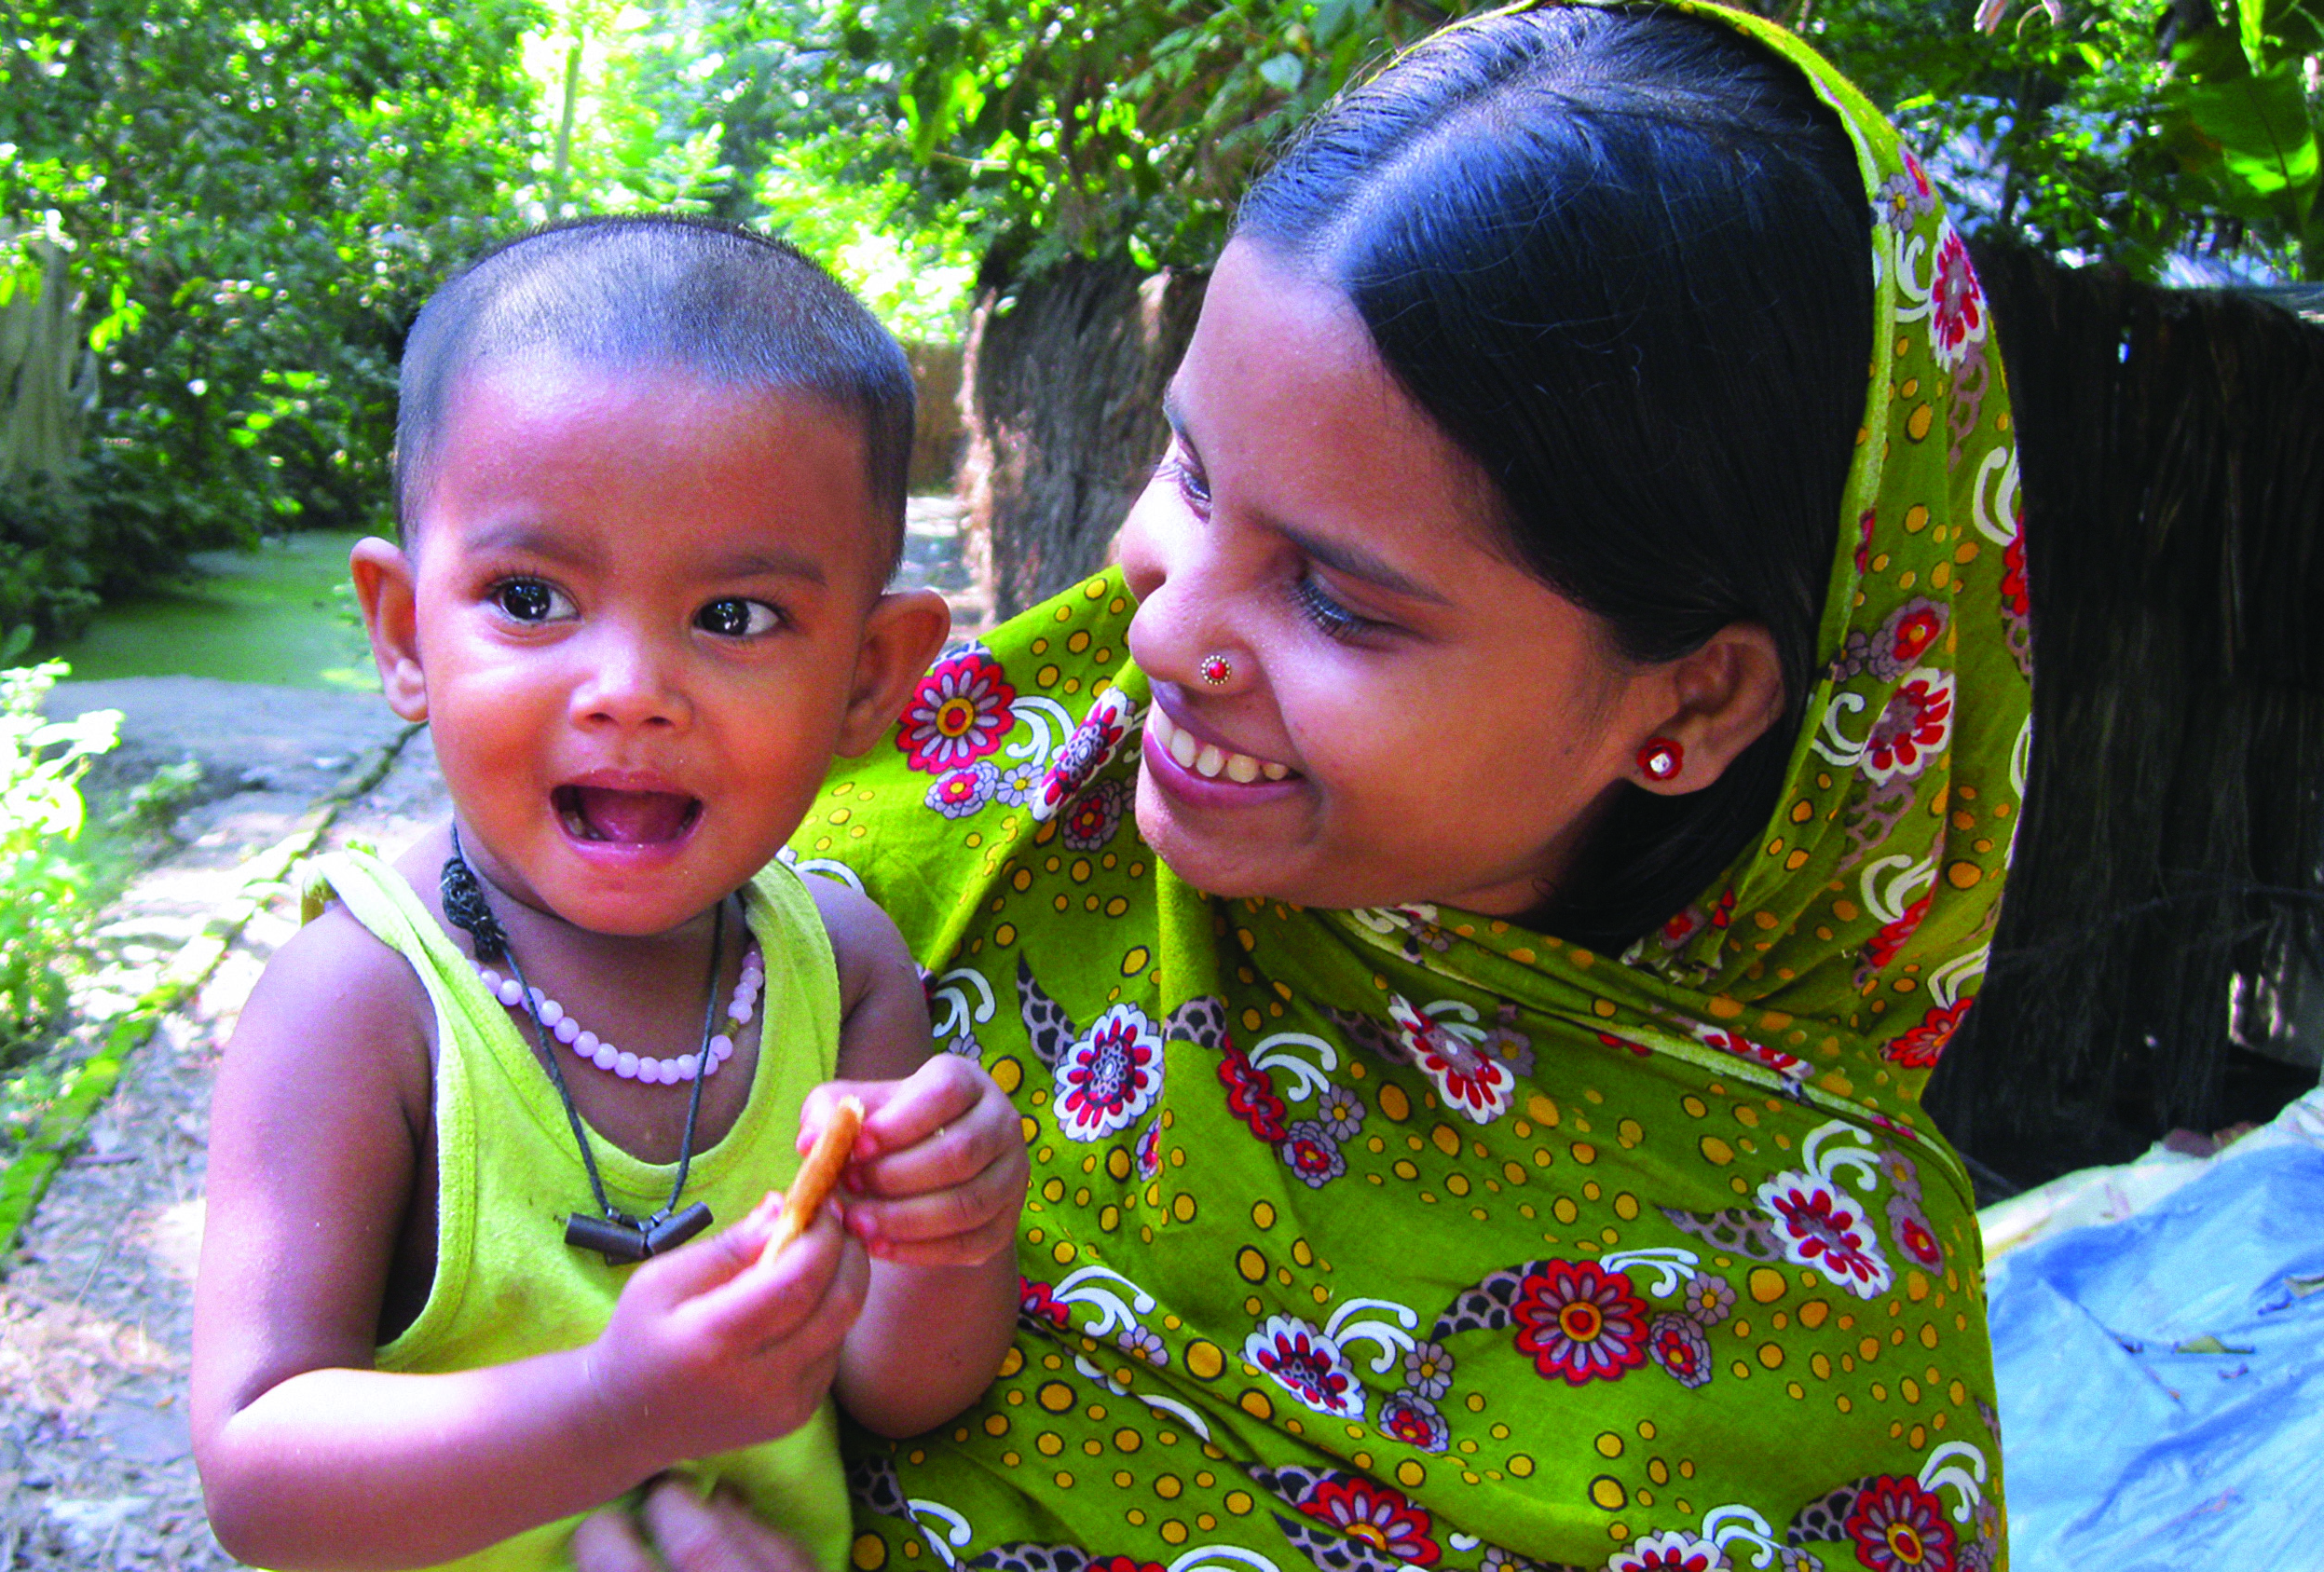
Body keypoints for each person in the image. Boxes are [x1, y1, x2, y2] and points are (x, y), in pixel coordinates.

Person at [575, 4, 2028, 1570]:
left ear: (1693, 698)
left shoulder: (1809, 1315)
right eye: (1192, 475)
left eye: (1337, 598)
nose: (1167, 624)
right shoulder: (896, 840)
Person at [187, 216, 1031, 1572]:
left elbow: (897, 1384)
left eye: (735, 616)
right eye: (531, 596)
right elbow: (259, 1474)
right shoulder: (363, 1008)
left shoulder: (847, 972)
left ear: (875, 676)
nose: (631, 688)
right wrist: (611, 1409)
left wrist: (957, 1229)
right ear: (406, 633)